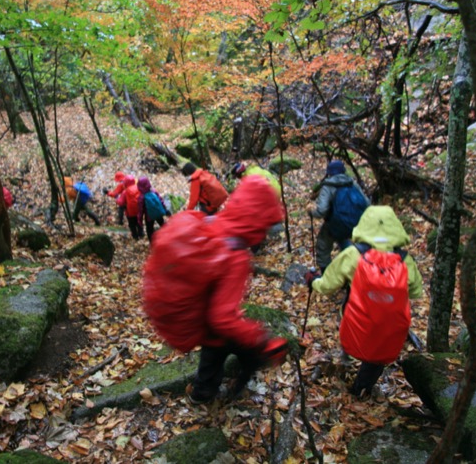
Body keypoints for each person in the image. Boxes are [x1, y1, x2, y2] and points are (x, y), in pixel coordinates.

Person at [143, 176, 288, 404]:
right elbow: (223, 318)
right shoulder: (236, 255)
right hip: (217, 327)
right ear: (259, 221)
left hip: (204, 325)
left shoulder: (211, 224)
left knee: (211, 361)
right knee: (247, 350)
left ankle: (201, 396)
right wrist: (260, 339)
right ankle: (238, 387)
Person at [305, 205, 423, 396]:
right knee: (378, 356)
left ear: (364, 224)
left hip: (357, 320)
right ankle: (362, 387)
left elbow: (327, 286)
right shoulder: (405, 260)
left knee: (349, 329)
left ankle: (345, 360)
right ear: (395, 226)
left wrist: (313, 282)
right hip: (390, 325)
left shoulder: (353, 255)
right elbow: (416, 291)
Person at [309, 160, 370, 272]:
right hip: (356, 224)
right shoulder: (352, 183)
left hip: (336, 224)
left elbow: (321, 210)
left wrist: (311, 212)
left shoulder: (328, 186)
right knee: (344, 241)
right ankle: (353, 272)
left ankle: (326, 275)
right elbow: (367, 203)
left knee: (323, 245)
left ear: (329, 173)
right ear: (343, 171)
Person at [136, 176, 168, 243]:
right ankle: (168, 236)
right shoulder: (154, 191)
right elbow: (161, 200)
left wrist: (140, 220)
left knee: (150, 229)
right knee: (163, 224)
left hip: (149, 217)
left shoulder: (141, 197)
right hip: (158, 213)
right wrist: (165, 209)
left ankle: (152, 243)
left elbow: (140, 211)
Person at [118, 174, 143, 240]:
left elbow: (121, 202)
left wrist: (117, 199)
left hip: (130, 213)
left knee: (132, 225)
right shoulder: (138, 188)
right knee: (139, 222)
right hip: (139, 210)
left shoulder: (125, 192)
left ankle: (135, 237)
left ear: (125, 183)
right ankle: (141, 234)